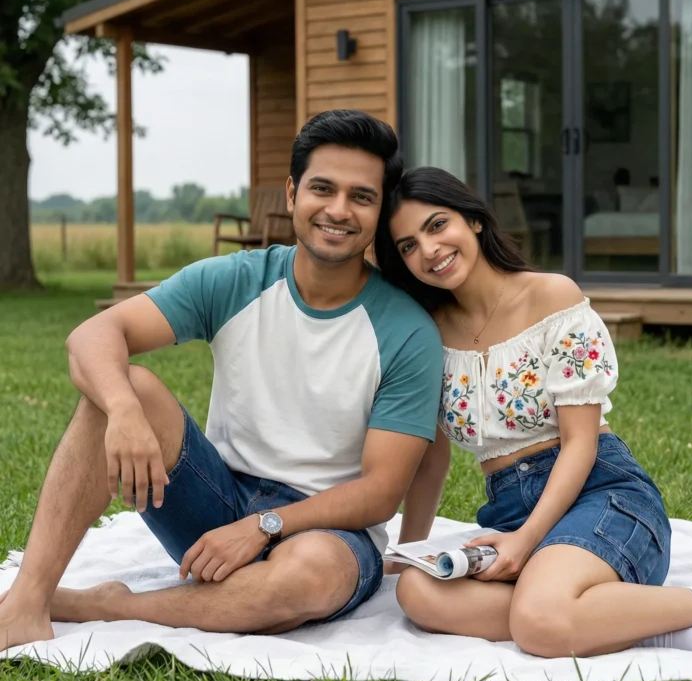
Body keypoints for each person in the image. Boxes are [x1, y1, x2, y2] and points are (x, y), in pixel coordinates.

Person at [0, 112, 446, 651]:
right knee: (127, 386)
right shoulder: (236, 279)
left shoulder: (406, 331)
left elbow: (379, 494)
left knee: (309, 576)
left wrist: (264, 527)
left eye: (361, 197)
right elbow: (92, 337)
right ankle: (27, 601)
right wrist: (122, 412)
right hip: (215, 503)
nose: (338, 210)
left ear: (378, 212)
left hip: (328, 532)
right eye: (322, 189)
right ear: (291, 192)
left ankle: (107, 605)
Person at [375, 167, 692, 658]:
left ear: (474, 221)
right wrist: (406, 552)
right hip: (509, 510)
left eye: (437, 225)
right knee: (417, 592)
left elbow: (581, 444)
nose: (429, 250)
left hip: (599, 495)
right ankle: (654, 627)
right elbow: (431, 459)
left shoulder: (550, 297)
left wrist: (525, 542)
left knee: (537, 620)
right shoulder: (430, 331)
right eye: (408, 245)